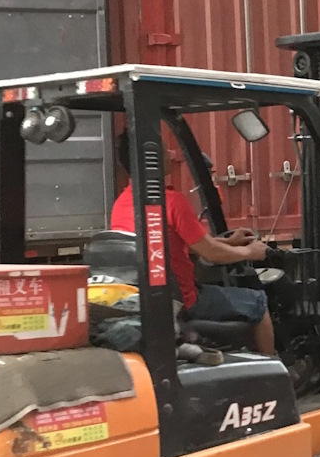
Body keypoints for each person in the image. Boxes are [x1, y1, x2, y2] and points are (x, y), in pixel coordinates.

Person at [109, 131, 276, 354]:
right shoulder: (172, 202)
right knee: (258, 302)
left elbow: (179, 244)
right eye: (164, 149)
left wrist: (230, 242)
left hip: (148, 298)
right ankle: (273, 365)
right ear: (152, 158)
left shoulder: (121, 204)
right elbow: (212, 254)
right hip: (184, 300)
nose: (170, 153)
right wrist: (251, 252)